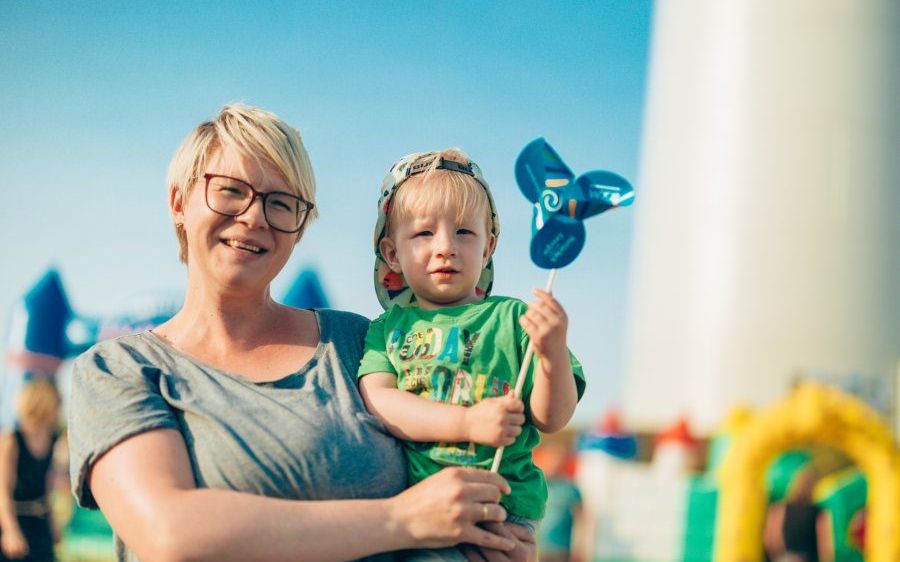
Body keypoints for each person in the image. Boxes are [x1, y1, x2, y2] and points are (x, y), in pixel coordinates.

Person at [67, 105, 536, 562]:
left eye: (280, 203)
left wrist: (496, 537)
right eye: (230, 190)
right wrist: (404, 519)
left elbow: (460, 461)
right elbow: (170, 534)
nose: (254, 217)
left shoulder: (357, 342)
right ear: (178, 203)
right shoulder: (119, 370)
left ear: (300, 226)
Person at [357, 149, 585, 561]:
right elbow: (380, 402)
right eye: (423, 234)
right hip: (421, 507)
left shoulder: (515, 320)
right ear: (392, 254)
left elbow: (552, 418)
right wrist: (467, 422)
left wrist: (552, 355)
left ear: (488, 247)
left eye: (464, 232)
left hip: (502, 512)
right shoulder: (387, 328)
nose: (445, 247)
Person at [0, 380, 62, 562]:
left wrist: (52, 524)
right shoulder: (12, 440)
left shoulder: (52, 439)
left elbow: (46, 489)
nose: (60, 409)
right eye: (57, 404)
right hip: (13, 519)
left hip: (39, 522)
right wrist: (10, 530)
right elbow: (3, 491)